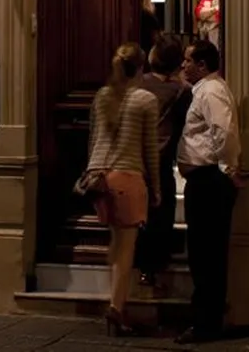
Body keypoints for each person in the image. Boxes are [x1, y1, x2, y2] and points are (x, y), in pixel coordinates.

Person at [80, 43, 160, 337]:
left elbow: (92, 138)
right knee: (127, 249)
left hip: (98, 177)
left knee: (115, 242)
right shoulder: (145, 100)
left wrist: (92, 170)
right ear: (141, 68)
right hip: (127, 177)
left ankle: (116, 301)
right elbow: (149, 149)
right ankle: (116, 308)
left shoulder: (103, 96)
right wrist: (156, 188)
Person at [176, 38, 240, 344]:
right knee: (202, 254)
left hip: (209, 182)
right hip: (203, 181)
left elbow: (224, 132)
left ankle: (207, 324)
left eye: (188, 60)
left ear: (202, 65)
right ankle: (205, 320)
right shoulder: (202, 91)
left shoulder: (211, 91)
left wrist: (225, 170)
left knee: (207, 256)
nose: (183, 65)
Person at [135, 33, 192, 289]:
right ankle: (156, 263)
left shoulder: (137, 85)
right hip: (160, 156)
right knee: (161, 210)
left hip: (135, 158)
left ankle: (139, 265)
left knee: (139, 213)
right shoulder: (181, 91)